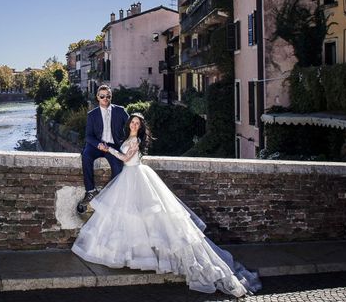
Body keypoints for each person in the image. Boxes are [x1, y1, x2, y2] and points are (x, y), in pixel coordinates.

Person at [72, 113, 262, 297]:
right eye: (133, 122)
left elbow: (125, 159)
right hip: (128, 178)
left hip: (137, 176)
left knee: (147, 218)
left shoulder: (136, 141)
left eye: (138, 124)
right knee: (131, 218)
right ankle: (132, 256)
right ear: (129, 123)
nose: (134, 125)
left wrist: (109, 150)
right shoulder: (126, 137)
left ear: (141, 128)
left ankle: (152, 258)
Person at [77, 85, 129, 214]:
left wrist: (131, 143)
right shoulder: (92, 114)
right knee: (86, 156)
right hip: (96, 146)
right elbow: (88, 136)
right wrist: (98, 145)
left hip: (113, 146)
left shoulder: (120, 111)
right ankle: (90, 191)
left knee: (118, 168)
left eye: (108, 96)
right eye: (102, 96)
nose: (105, 98)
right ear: (98, 98)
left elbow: (131, 128)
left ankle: (111, 197)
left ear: (111, 97)